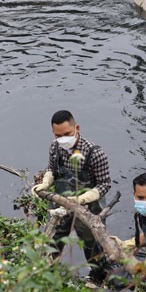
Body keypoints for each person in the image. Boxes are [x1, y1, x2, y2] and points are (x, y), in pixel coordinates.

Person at [31, 110, 112, 282]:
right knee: (54, 238)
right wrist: (46, 183)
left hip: (88, 207)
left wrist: (83, 199)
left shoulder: (94, 153)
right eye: (58, 135)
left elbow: (105, 184)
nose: (63, 139)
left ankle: (98, 277)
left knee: (91, 243)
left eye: (67, 134)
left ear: (77, 128)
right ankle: (47, 273)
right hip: (61, 204)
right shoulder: (55, 147)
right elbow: (52, 169)